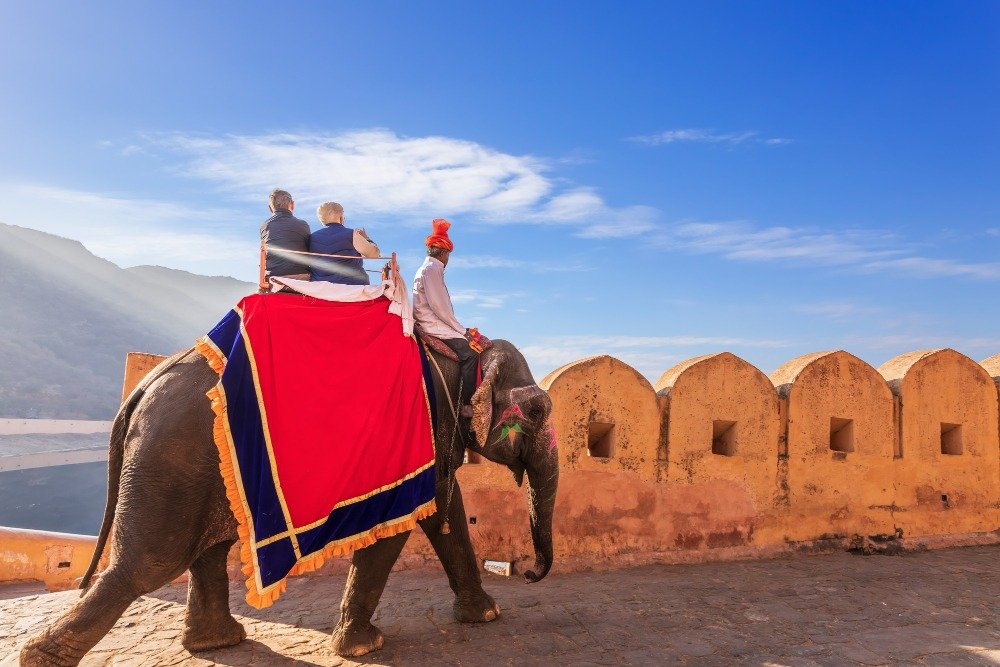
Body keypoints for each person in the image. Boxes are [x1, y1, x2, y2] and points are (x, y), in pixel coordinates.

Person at [412, 219, 489, 421]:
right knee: (470, 354)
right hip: (433, 325)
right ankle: (467, 404)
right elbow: (440, 308)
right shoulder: (432, 270)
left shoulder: (428, 268)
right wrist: (460, 330)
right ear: (445, 254)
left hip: (433, 321)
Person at [309, 202, 381, 285]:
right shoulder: (352, 234)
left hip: (320, 287)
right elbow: (374, 255)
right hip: (352, 286)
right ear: (341, 217)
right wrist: (367, 239)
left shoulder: (311, 237)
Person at [259, 189, 310, 287]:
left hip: (274, 277)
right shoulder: (303, 225)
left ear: (270, 208)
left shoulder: (265, 226)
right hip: (301, 277)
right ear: (292, 205)